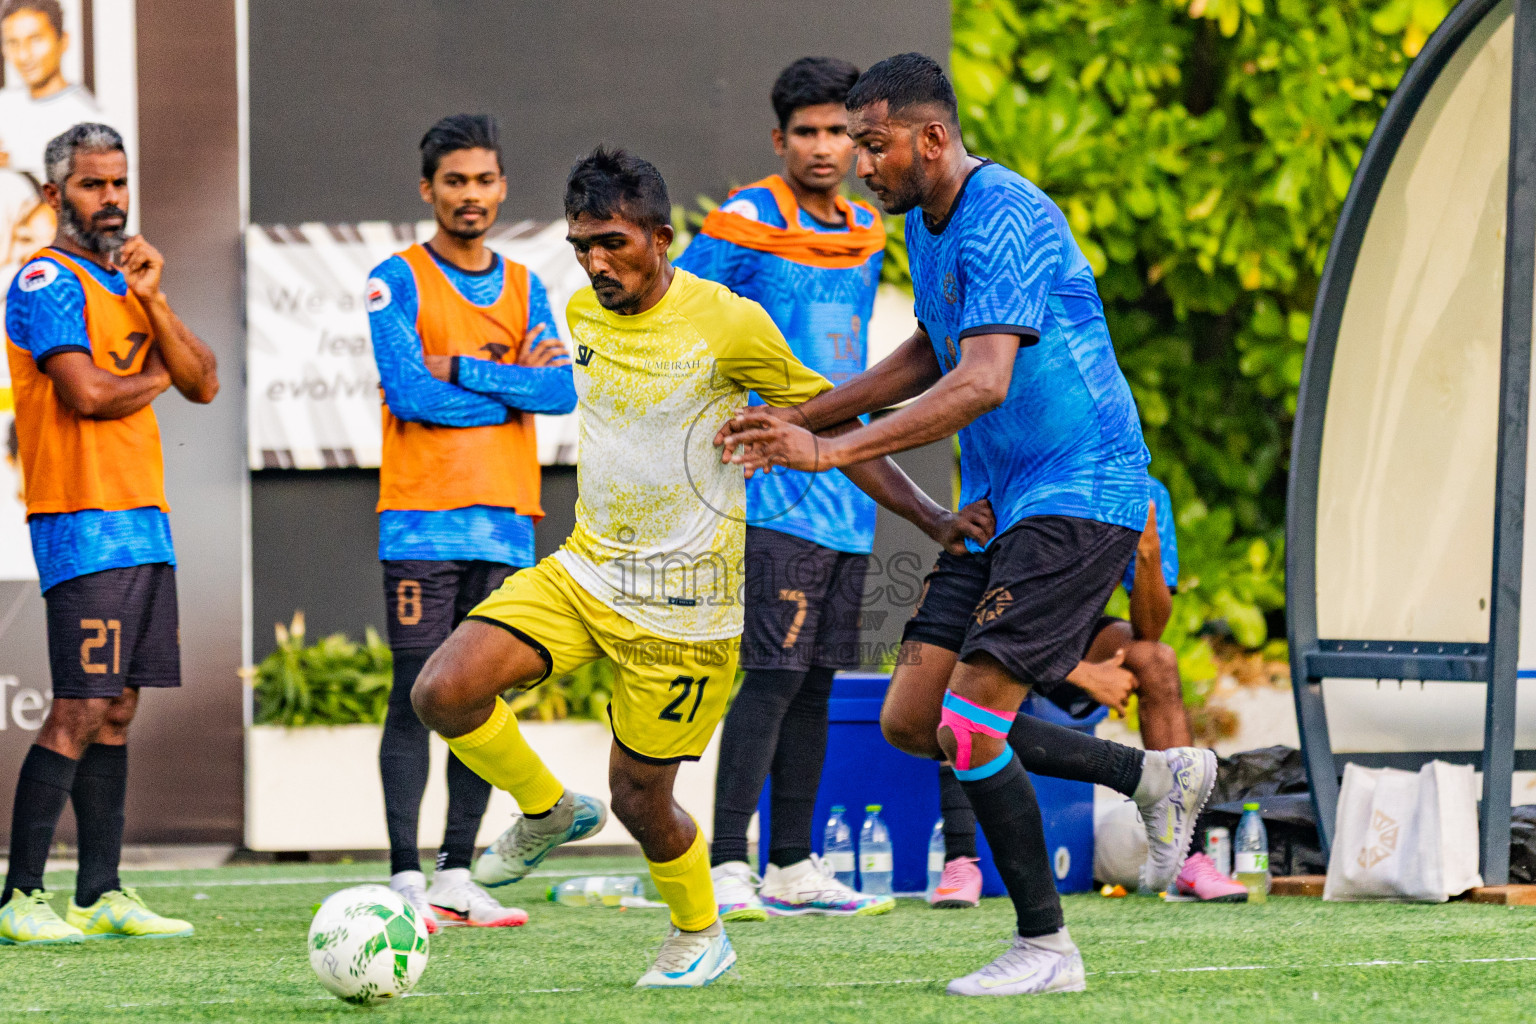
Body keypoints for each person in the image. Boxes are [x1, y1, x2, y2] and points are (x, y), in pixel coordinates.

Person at [410, 147, 981, 988]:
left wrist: (931, 517)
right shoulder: (582, 313)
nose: (596, 263)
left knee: (642, 799)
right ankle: (545, 811)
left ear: (662, 237)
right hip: (586, 572)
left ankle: (699, 933)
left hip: (685, 613)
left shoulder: (730, 322)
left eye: (612, 242)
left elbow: (829, 422)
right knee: (443, 691)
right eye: (581, 245)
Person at [717, 54, 1218, 996]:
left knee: (974, 721)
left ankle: (1047, 949)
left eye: (874, 145)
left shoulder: (1010, 214)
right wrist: (809, 416)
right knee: (918, 720)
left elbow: (982, 378)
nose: (861, 165)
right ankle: (1152, 776)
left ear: (932, 138)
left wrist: (823, 451)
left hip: (1081, 492)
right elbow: (927, 352)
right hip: (1002, 509)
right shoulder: (926, 224)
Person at [674, 57, 893, 921]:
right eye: (807, 131)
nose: (825, 145)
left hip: (845, 484)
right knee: (768, 673)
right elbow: (680, 315)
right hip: (768, 491)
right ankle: (727, 863)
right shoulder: (742, 221)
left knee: (818, 681)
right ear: (779, 140)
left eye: (840, 130)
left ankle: (793, 863)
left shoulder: (873, 228)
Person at [0, 122, 218, 944]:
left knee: (119, 707)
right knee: (81, 704)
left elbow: (208, 382)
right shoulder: (44, 281)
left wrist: (158, 301)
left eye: (120, 183)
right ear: (56, 195)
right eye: (94, 185)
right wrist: (165, 369)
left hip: (144, 525)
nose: (113, 199)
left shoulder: (132, 282)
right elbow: (90, 394)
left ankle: (100, 894)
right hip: (82, 522)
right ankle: (20, 898)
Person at [365, 114, 576, 933]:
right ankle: (403, 876)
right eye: (455, 181)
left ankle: (457, 873)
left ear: (502, 186)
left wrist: (463, 368)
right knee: (413, 695)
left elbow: (559, 394)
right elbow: (409, 393)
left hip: (505, 524)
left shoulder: (527, 285)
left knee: (477, 700)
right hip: (420, 521)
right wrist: (504, 383)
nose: (471, 195)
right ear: (429, 190)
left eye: (484, 180)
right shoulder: (397, 278)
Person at [926, 478, 1243, 907]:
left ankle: (1190, 856)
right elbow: (984, 611)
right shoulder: (1023, 477)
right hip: (992, 631)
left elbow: (1150, 629)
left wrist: (1147, 550)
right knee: (965, 681)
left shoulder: (1142, 489)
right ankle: (961, 861)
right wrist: (1080, 673)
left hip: (1063, 631)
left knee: (1157, 659)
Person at [0, 0, 101, 180]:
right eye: (13, 43)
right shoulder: (4, 103)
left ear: (63, 40)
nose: (24, 55)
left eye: (35, 39)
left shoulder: (88, 121)